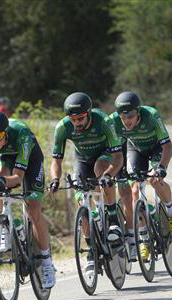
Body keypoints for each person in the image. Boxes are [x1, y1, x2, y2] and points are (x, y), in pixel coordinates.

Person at [0, 109, 56, 289]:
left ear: (6, 133)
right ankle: (6, 224)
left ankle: (46, 259)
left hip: (30, 160)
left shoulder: (21, 134)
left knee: (33, 210)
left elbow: (18, 178)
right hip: (6, 158)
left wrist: (1, 181)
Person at [49, 92, 124, 273]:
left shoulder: (103, 121)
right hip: (82, 159)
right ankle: (91, 251)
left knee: (101, 171)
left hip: (105, 153)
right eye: (73, 119)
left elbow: (118, 156)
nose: (77, 123)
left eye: (81, 118)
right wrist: (54, 179)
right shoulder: (62, 127)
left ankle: (113, 218)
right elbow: (56, 161)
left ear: (88, 113)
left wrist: (109, 174)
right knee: (82, 202)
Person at [107, 91, 172, 262]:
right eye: (123, 117)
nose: (127, 121)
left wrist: (162, 167)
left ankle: (171, 212)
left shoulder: (152, 116)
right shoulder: (113, 121)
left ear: (138, 112)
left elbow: (168, 147)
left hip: (157, 148)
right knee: (134, 190)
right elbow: (113, 149)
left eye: (131, 116)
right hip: (136, 150)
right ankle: (143, 238)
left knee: (154, 179)